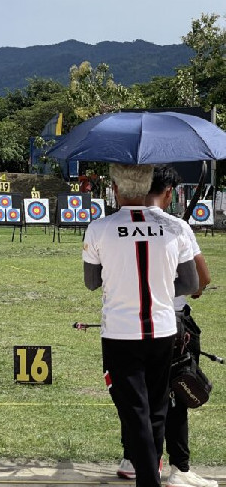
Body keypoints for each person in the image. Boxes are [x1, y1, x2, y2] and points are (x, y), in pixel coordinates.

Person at [83, 163, 199, 487]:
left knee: (134, 411)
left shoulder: (100, 228)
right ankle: (151, 473)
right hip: (163, 330)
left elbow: (91, 282)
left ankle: (148, 480)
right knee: (157, 407)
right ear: (148, 184)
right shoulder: (176, 227)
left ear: (116, 189)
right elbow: (189, 281)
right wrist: (157, 285)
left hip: (120, 332)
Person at [116, 165, 217, 487]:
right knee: (174, 396)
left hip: (126, 324)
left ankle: (132, 458)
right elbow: (200, 281)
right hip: (170, 324)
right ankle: (180, 469)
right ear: (170, 191)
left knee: (135, 396)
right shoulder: (176, 227)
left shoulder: (115, 225)